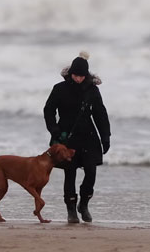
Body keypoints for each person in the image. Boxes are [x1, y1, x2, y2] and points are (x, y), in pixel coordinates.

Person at [43, 51, 111, 223]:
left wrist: (105, 136)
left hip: (88, 137)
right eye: (75, 75)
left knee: (91, 172)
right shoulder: (59, 89)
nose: (78, 78)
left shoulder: (92, 91)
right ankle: (71, 209)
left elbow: (100, 114)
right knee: (70, 173)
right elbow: (48, 110)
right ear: (70, 73)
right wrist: (55, 130)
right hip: (67, 138)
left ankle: (84, 204)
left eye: (81, 76)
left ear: (86, 75)